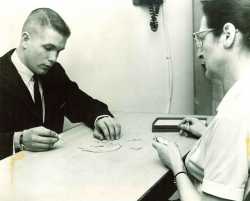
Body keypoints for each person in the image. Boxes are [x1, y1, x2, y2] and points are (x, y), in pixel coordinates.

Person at [153, 0, 250, 200]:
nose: (199, 52)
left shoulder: (234, 114)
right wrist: (209, 134)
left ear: (228, 35)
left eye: (201, 38)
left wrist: (175, 164)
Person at [0, 8, 121, 160]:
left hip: (55, 169)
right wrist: (18, 140)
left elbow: (81, 103)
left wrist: (101, 118)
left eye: (58, 51)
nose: (53, 58)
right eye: (48, 48)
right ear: (25, 40)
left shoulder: (54, 72)